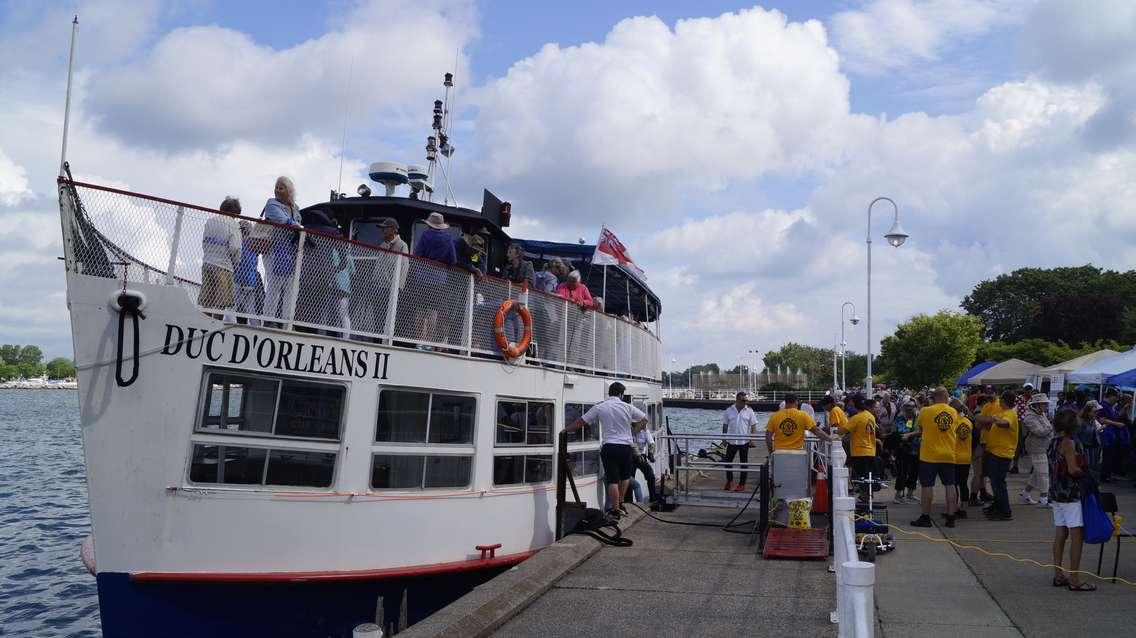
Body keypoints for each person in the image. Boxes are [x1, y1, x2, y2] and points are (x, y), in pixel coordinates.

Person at [564, 382, 647, 518]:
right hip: (625, 446)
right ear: (621, 394)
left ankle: (615, 510)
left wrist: (566, 429)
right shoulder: (627, 407)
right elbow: (644, 419)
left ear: (610, 393)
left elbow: (582, 421)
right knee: (625, 477)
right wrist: (633, 431)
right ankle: (620, 503)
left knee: (613, 480)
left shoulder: (600, 407)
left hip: (609, 447)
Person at [1048, 409, 1096, 591]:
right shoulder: (1069, 443)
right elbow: (1072, 469)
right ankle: (1074, 578)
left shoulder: (1053, 443)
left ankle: (1058, 573)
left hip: (1056, 492)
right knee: (1077, 534)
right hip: (1070, 493)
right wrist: (1087, 475)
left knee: (1061, 532)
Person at [296, 210, 352, 337]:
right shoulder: (332, 233)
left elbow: (295, 249)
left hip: (304, 275)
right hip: (324, 277)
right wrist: (336, 268)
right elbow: (343, 254)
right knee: (318, 307)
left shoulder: (305, 230)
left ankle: (301, 330)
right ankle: (313, 333)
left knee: (302, 305)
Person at [910, 387, 959, 528]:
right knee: (950, 485)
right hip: (948, 454)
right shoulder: (953, 412)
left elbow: (920, 429)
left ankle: (925, 517)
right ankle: (951, 517)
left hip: (929, 455)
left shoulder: (926, 411)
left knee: (927, 486)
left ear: (934, 397)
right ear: (946, 396)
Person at [410, 212, 456, 347]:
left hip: (422, 278)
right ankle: (428, 343)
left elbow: (417, 255)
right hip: (439, 280)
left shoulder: (425, 235)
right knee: (433, 312)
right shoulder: (448, 238)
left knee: (420, 311)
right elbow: (453, 260)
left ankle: (419, 341)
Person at [261, 176, 302, 322]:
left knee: (290, 287)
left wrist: (297, 225)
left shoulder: (295, 208)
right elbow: (280, 219)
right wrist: (295, 225)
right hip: (275, 248)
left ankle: (287, 321)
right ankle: (268, 319)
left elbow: (299, 222)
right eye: (276, 187)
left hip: (290, 250)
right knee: (274, 284)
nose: (277, 190)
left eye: (281, 187)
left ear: (289, 191)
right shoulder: (272, 204)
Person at [976, 390, 1020, 521]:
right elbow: (985, 422)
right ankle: (997, 505)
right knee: (995, 483)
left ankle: (1005, 511)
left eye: (1001, 399)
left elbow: (1005, 423)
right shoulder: (1001, 412)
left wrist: (995, 420)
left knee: (999, 483)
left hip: (1002, 454)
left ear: (1004, 401)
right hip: (994, 452)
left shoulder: (1010, 414)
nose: (999, 401)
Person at [198, 196, 243, 319]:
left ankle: (203, 322)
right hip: (224, 266)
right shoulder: (233, 225)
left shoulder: (210, 221)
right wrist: (236, 263)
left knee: (207, 300)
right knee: (221, 302)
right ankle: (215, 324)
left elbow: (204, 242)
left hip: (207, 262)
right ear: (235, 213)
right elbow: (235, 248)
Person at [832, 395, 879, 501]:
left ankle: (865, 499)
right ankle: (868, 498)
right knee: (868, 477)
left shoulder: (856, 418)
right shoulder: (870, 416)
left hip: (859, 451)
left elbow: (843, 431)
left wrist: (834, 431)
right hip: (871, 450)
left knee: (862, 478)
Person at [1019, 392, 1054, 505]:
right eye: (1044, 404)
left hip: (1043, 447)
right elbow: (1040, 432)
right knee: (1043, 473)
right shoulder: (1029, 417)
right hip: (1036, 448)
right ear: (1037, 405)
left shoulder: (1040, 414)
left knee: (1037, 472)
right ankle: (1044, 498)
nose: (1046, 406)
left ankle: (1025, 493)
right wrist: (1052, 426)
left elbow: (1046, 428)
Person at [765, 394, 831, 452]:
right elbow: (817, 431)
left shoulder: (775, 416)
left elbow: (768, 436)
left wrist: (770, 451)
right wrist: (830, 439)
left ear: (785, 402)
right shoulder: (803, 415)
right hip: (797, 451)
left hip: (778, 451)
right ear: (796, 402)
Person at [721, 391, 759, 492]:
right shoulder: (729, 410)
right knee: (728, 461)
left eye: (746, 400)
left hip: (744, 442)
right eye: (743, 400)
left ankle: (742, 484)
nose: (745, 402)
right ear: (737, 399)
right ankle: (730, 480)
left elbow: (753, 425)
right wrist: (724, 438)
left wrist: (752, 439)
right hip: (732, 441)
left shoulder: (749, 411)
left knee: (744, 463)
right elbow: (725, 425)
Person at [232, 219, 264, 326]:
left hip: (238, 280)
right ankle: (257, 327)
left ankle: (233, 326)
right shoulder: (253, 245)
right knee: (251, 310)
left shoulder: (238, 244)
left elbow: (238, 262)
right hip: (251, 281)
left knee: (234, 307)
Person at [948, 398, 973, 520]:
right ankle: (964, 509)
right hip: (966, 457)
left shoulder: (953, 422)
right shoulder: (968, 422)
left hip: (955, 457)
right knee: (963, 484)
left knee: (953, 485)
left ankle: (954, 509)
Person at [892, 401, 920, 504]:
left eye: (910, 411)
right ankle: (898, 495)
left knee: (914, 473)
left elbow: (921, 430)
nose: (908, 413)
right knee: (902, 473)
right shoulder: (900, 417)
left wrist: (910, 434)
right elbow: (897, 430)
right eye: (906, 411)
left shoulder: (919, 417)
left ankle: (910, 494)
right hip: (902, 449)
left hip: (917, 449)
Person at [632, 420, 658, 504]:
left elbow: (651, 443)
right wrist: (638, 455)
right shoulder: (629, 431)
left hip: (642, 456)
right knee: (629, 479)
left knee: (650, 475)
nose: (642, 427)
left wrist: (650, 453)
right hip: (631, 456)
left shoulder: (645, 431)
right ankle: (628, 500)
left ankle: (653, 498)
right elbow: (632, 445)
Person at [1077, 401, 1102, 478]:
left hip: (1092, 447)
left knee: (1092, 467)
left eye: (1097, 412)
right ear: (1088, 412)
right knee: (1085, 466)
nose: (1096, 414)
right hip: (1083, 447)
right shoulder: (1081, 422)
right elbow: (1076, 435)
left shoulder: (1093, 421)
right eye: (1094, 412)